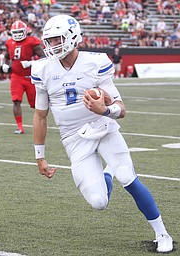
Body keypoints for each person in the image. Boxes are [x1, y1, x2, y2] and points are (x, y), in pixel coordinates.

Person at [31, 14, 173, 253]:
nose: (52, 45)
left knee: (128, 177)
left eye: (57, 39)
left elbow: (122, 109)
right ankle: (108, 174)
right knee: (99, 202)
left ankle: (162, 234)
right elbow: (40, 115)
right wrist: (39, 155)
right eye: (50, 40)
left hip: (102, 126)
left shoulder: (95, 62)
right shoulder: (43, 68)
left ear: (72, 37)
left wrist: (104, 109)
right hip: (73, 137)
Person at [3, 20, 45, 134]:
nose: (17, 35)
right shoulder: (9, 43)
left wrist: (31, 62)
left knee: (36, 104)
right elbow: (6, 56)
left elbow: (44, 57)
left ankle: (40, 124)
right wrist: (5, 64)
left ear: (25, 31)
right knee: (16, 101)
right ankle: (20, 127)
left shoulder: (32, 42)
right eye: (15, 32)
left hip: (30, 77)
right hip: (16, 76)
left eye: (19, 32)